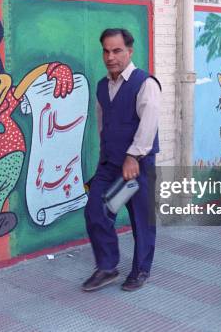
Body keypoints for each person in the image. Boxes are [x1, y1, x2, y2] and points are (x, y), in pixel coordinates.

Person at [82, 28, 161, 292]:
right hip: (110, 166)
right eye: (106, 51)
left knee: (140, 220)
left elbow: (148, 125)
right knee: (97, 209)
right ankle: (107, 267)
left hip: (136, 167)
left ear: (129, 51)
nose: (110, 56)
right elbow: (104, 126)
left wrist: (133, 156)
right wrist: (103, 162)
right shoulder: (103, 86)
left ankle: (140, 270)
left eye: (116, 51)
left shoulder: (145, 83)